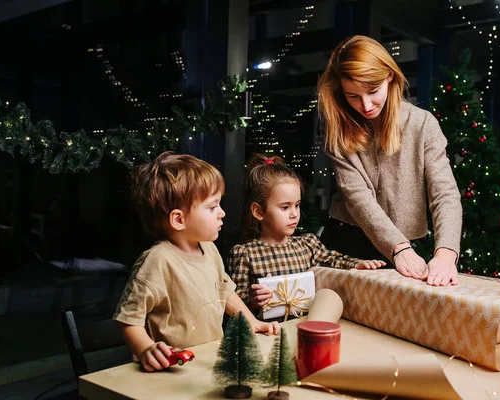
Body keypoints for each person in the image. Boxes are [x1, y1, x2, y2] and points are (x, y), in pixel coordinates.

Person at [316, 35, 463, 287]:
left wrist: (446, 253)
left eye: (373, 91)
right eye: (352, 96)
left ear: (390, 77)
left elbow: (445, 194)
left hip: (402, 247)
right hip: (345, 242)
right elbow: (357, 196)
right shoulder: (337, 127)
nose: (365, 105)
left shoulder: (423, 124)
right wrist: (398, 248)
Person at [114, 151, 279, 372]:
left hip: (209, 360)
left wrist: (252, 321)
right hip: (172, 369)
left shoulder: (209, 249)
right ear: (179, 219)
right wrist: (146, 349)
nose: (221, 213)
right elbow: (128, 319)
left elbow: (225, 292)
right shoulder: (158, 261)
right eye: (212, 207)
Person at [227, 153, 385, 315]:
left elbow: (334, 259)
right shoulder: (245, 254)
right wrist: (253, 301)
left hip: (305, 326)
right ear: (259, 211)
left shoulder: (306, 244)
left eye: (297, 205)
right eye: (285, 207)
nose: (294, 214)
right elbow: (233, 305)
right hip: (267, 333)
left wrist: (357, 264)